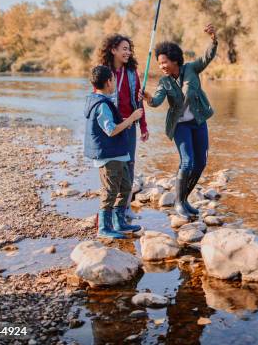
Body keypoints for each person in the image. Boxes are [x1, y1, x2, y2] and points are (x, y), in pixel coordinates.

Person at [140, 24, 218, 219]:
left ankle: (184, 199)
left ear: (175, 60)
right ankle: (178, 202)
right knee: (188, 162)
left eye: (164, 62)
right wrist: (148, 98)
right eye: (159, 64)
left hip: (198, 121)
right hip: (180, 125)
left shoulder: (191, 68)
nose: (162, 67)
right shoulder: (164, 82)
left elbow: (207, 57)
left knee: (200, 163)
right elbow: (157, 101)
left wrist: (213, 40)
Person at [84, 65, 143, 238]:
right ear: (108, 82)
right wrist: (132, 118)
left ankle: (119, 222)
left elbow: (109, 124)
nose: (115, 82)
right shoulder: (101, 104)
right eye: (114, 79)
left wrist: (125, 120)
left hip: (118, 154)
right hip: (109, 156)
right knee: (110, 192)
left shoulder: (102, 101)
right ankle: (104, 227)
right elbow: (110, 130)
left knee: (125, 187)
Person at [97, 34, 149, 220]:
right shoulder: (104, 73)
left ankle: (124, 208)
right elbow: (97, 102)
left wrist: (143, 126)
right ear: (113, 50)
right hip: (113, 128)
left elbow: (138, 100)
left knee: (129, 166)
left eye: (129, 49)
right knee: (113, 169)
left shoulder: (132, 72)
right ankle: (107, 211)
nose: (128, 52)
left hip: (129, 127)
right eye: (124, 49)